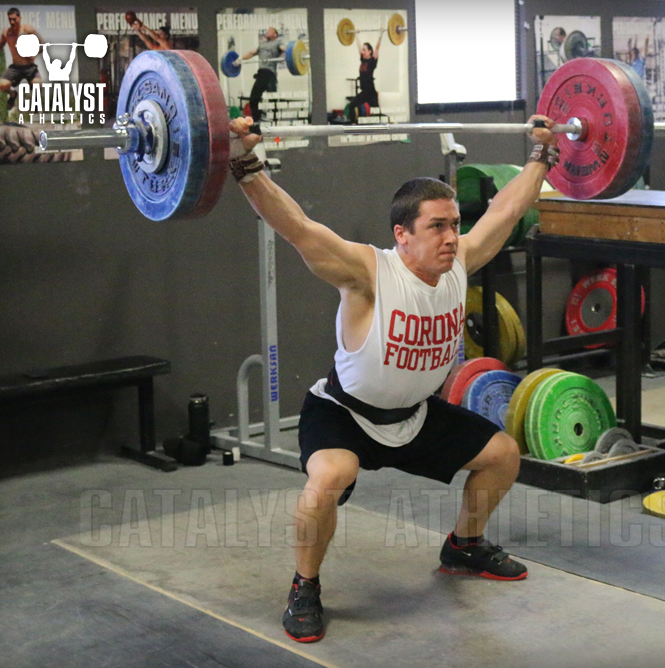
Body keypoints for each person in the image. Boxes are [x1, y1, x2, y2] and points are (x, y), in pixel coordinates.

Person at [228, 113, 559, 644]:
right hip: (345, 413)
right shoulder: (367, 272)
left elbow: (506, 210)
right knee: (328, 479)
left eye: (454, 224)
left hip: (415, 416)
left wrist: (541, 154)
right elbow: (298, 228)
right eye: (437, 226)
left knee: (502, 455)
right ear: (401, 234)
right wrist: (245, 164)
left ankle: (464, 545)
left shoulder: (459, 262)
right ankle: (305, 586)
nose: (451, 237)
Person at [0, 7, 43, 110]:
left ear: (19, 18)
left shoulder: (27, 29)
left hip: (29, 66)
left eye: (14, 19)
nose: (12, 22)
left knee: (38, 84)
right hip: (16, 67)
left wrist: (34, 55)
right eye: (10, 19)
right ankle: (13, 94)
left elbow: (42, 44)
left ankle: (35, 104)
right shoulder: (6, 33)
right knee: (2, 85)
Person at [241, 27, 286, 122]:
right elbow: (251, 53)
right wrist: (239, 59)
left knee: (273, 101)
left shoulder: (278, 42)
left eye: (269, 31)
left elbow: (284, 48)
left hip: (270, 74)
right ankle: (256, 121)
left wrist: (289, 51)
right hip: (261, 73)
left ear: (275, 34)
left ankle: (275, 122)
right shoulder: (262, 44)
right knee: (253, 99)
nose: (267, 32)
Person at [348, 30, 383, 122]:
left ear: (369, 51)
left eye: (364, 50)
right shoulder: (363, 60)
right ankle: (353, 125)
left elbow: (377, 48)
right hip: (364, 92)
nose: (362, 51)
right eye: (362, 50)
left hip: (371, 93)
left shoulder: (372, 61)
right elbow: (358, 47)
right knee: (351, 106)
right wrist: (356, 35)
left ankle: (388, 126)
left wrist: (381, 34)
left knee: (377, 114)